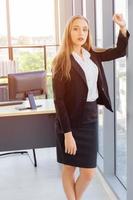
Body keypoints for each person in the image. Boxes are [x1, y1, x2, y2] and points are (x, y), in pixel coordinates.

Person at [52, 14, 129, 200]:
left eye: (85, 29)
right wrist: (68, 134)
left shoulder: (92, 54)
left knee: (88, 173)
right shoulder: (61, 61)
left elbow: (119, 51)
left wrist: (122, 27)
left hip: (91, 117)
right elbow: (59, 101)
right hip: (70, 122)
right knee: (69, 167)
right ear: (68, 32)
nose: (81, 33)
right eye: (76, 28)